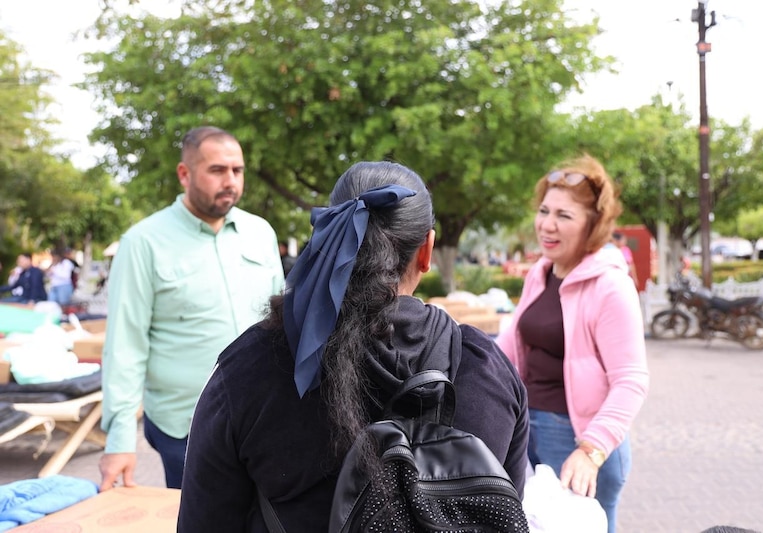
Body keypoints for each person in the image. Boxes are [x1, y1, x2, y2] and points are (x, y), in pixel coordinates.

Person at [177, 161, 529, 531]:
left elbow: (203, 520)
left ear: (328, 238)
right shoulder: (488, 368)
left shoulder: (250, 368)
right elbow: (507, 508)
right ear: (427, 250)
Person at [99, 126, 285, 491]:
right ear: (184, 174)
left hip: (262, 418)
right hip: (183, 427)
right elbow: (124, 345)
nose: (230, 180)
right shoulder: (143, 243)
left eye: (238, 170)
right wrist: (119, 440)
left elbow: (280, 324)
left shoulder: (260, 233)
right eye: (217, 170)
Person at [494, 154, 649, 533]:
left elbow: (631, 380)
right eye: (545, 210)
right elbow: (510, 346)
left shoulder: (610, 285)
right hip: (526, 428)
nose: (547, 224)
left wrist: (590, 451)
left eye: (564, 216)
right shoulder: (541, 273)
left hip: (578, 437)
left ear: (593, 225)